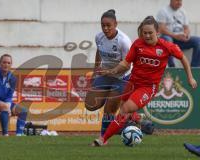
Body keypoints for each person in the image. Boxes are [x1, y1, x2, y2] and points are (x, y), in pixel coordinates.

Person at [93, 16, 197, 146]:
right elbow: (126, 63)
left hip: (148, 87)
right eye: (144, 33)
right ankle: (139, 120)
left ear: (157, 33)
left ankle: (103, 139)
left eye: (150, 33)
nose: (147, 36)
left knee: (124, 110)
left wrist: (190, 77)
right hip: (132, 83)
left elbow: (183, 58)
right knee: (124, 109)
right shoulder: (137, 44)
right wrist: (112, 71)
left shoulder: (167, 46)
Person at [84, 9, 143, 145]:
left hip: (122, 77)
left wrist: (110, 72)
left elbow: (127, 65)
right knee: (90, 105)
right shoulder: (99, 37)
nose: (105, 28)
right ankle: (130, 119)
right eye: (103, 25)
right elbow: (99, 51)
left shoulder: (124, 41)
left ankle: (103, 139)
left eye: (108, 25)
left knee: (109, 110)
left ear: (116, 24)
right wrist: (95, 70)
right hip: (105, 74)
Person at [0, 54, 27, 136]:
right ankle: (5, 135)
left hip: (4, 102)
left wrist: (8, 107)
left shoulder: (13, 78)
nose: (6, 65)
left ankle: (19, 135)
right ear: (0, 63)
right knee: (5, 107)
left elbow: (9, 96)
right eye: (4, 62)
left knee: (23, 111)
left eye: (8, 63)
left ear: (11, 65)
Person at [156, 0, 200, 67]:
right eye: (177, 0)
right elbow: (161, 29)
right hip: (167, 38)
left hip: (180, 39)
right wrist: (175, 36)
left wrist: (186, 35)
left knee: (198, 41)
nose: (179, 3)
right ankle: (172, 66)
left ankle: (194, 67)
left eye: (181, 1)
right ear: (171, 0)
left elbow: (186, 27)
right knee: (168, 40)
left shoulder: (183, 12)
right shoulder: (163, 11)